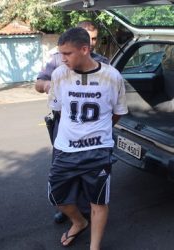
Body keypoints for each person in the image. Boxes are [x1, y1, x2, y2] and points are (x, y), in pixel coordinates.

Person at [47, 27, 128, 249]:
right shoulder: (59, 74)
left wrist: (98, 131)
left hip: (98, 151)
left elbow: (118, 112)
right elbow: (59, 110)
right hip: (65, 149)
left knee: (98, 202)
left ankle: (94, 247)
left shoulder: (112, 76)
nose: (62, 58)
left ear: (85, 49)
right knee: (56, 197)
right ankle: (79, 222)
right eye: (60, 53)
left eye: (67, 53)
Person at [36, 20, 109, 224]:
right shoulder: (60, 61)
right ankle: (68, 210)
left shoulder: (104, 62)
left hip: (93, 130)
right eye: (87, 36)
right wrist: (50, 85)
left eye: (94, 38)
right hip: (65, 126)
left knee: (90, 173)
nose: (91, 42)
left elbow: (112, 100)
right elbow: (38, 83)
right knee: (64, 170)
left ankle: (88, 210)